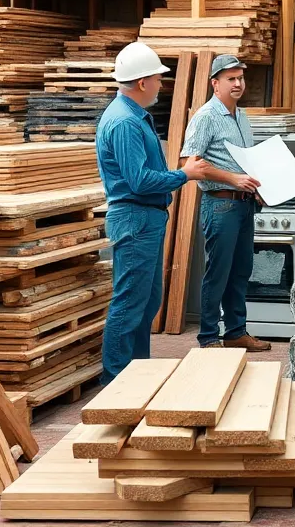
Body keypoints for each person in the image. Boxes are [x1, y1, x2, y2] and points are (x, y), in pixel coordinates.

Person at [96, 42, 210, 385]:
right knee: (130, 303)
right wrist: (185, 174)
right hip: (135, 219)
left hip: (144, 218)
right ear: (143, 82)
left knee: (146, 303)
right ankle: (115, 383)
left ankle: (137, 374)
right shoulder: (124, 123)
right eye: (159, 79)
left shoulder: (133, 117)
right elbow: (140, 179)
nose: (162, 84)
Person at [180, 54, 271, 352]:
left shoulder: (241, 116)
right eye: (230, 79)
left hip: (244, 205)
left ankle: (235, 332)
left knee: (241, 271)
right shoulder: (206, 117)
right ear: (215, 84)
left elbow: (246, 162)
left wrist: (256, 187)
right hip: (220, 205)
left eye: (240, 78)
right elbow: (190, 162)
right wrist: (233, 179)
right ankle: (208, 337)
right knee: (218, 272)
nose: (237, 83)